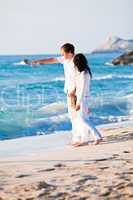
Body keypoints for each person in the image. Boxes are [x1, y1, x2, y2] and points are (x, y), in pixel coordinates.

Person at [71, 53, 103, 147]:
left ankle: (97, 136)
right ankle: (84, 140)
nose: (74, 64)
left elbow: (83, 89)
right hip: (83, 98)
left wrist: (78, 103)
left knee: (83, 119)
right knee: (84, 119)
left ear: (78, 62)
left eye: (75, 62)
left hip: (83, 98)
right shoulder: (82, 72)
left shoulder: (85, 73)